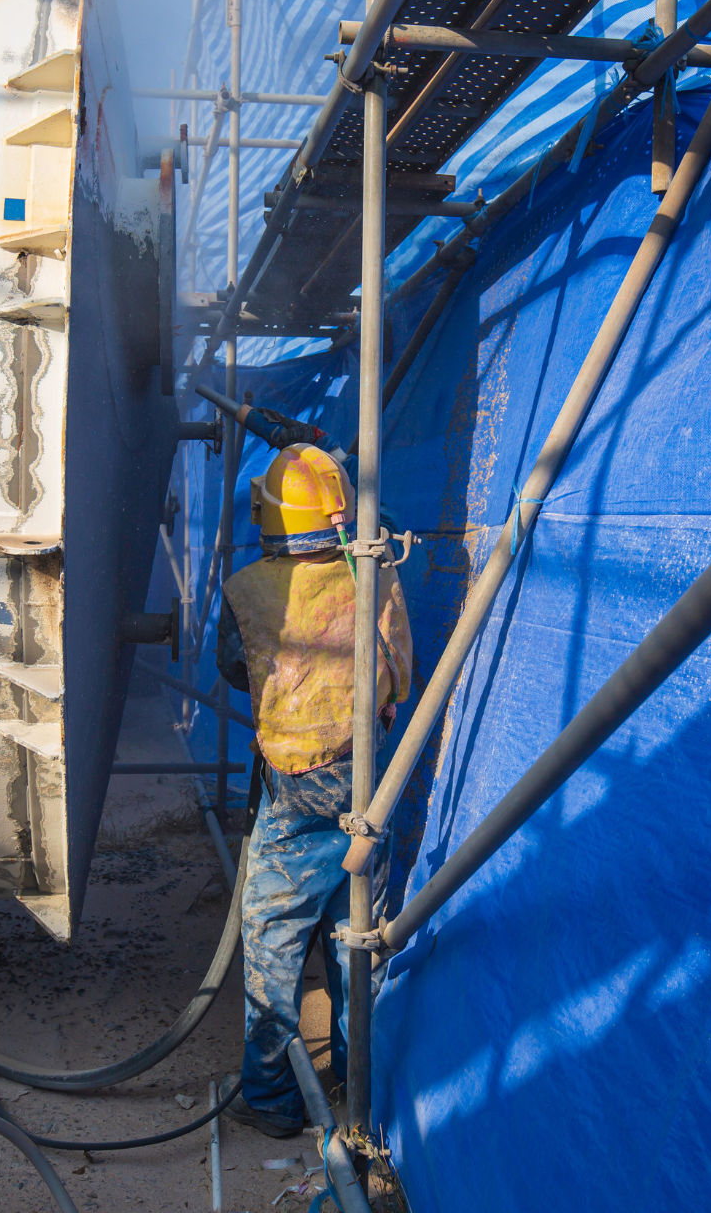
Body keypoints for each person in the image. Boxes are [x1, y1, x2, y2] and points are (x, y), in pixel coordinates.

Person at [215, 442, 413, 1138]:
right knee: (355, 939)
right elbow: (396, 670)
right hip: (364, 786)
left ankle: (271, 1100)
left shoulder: (246, 590)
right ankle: (363, 1099)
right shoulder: (375, 572)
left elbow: (235, 669)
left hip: (296, 795)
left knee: (272, 941)